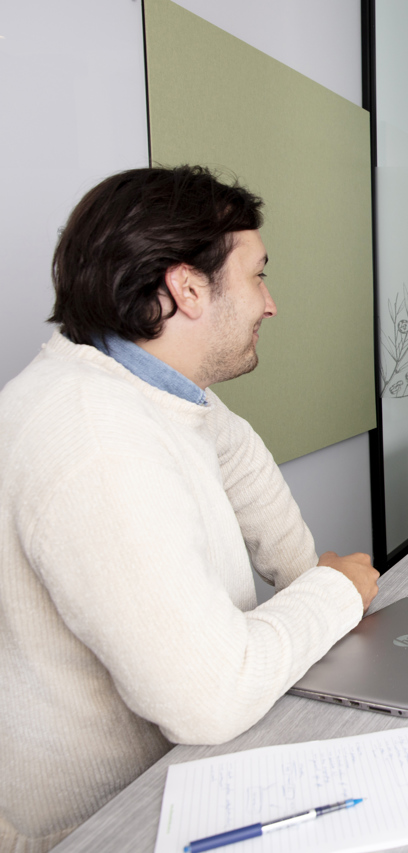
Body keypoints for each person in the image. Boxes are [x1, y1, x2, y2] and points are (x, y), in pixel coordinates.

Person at [0, 166, 380, 853]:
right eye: (258, 275)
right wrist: (335, 592)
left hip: (179, 781)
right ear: (187, 288)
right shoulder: (95, 440)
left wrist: (304, 574)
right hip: (102, 826)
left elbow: (235, 454)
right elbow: (212, 694)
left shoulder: (144, 386)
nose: (271, 303)